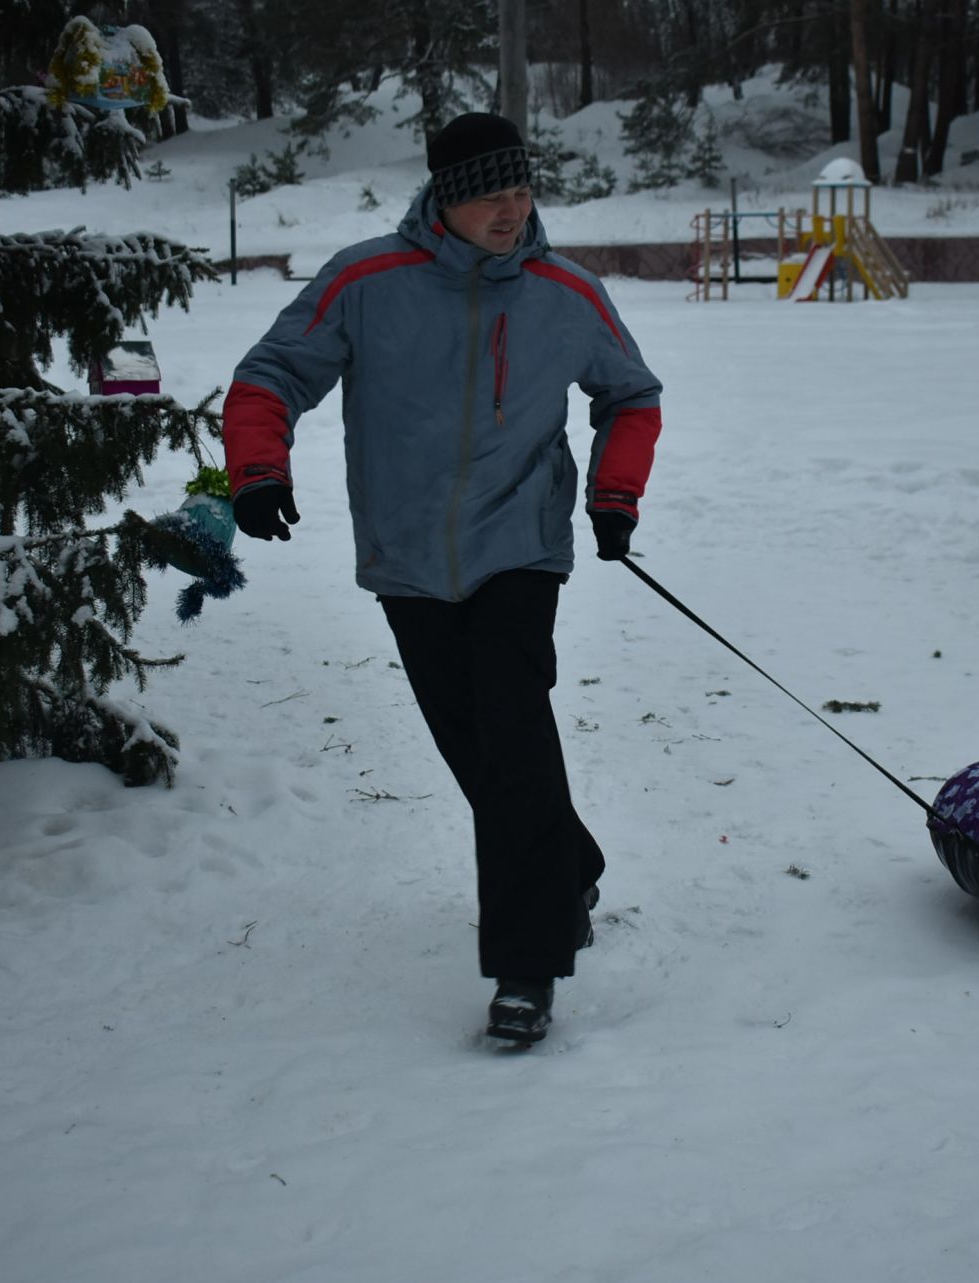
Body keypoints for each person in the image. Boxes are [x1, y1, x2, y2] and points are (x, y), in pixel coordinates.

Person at [221, 112, 664, 1044]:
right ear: (446, 198)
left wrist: (615, 497)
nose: (510, 209)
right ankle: (566, 861)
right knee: (474, 743)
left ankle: (527, 966)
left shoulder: (563, 293)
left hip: (519, 548)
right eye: (487, 193)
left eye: (520, 188)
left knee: (513, 734)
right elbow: (270, 375)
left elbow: (632, 395)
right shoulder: (365, 281)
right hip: (408, 555)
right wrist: (258, 469)